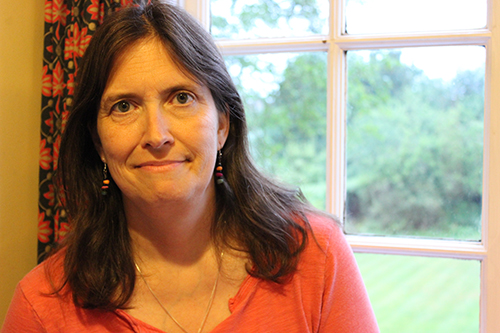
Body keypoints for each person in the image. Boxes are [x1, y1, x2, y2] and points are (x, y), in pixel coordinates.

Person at [1, 1, 378, 332]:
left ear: (222, 125)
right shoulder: (41, 306)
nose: (156, 135)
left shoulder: (315, 256)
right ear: (98, 142)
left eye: (181, 98)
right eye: (124, 106)